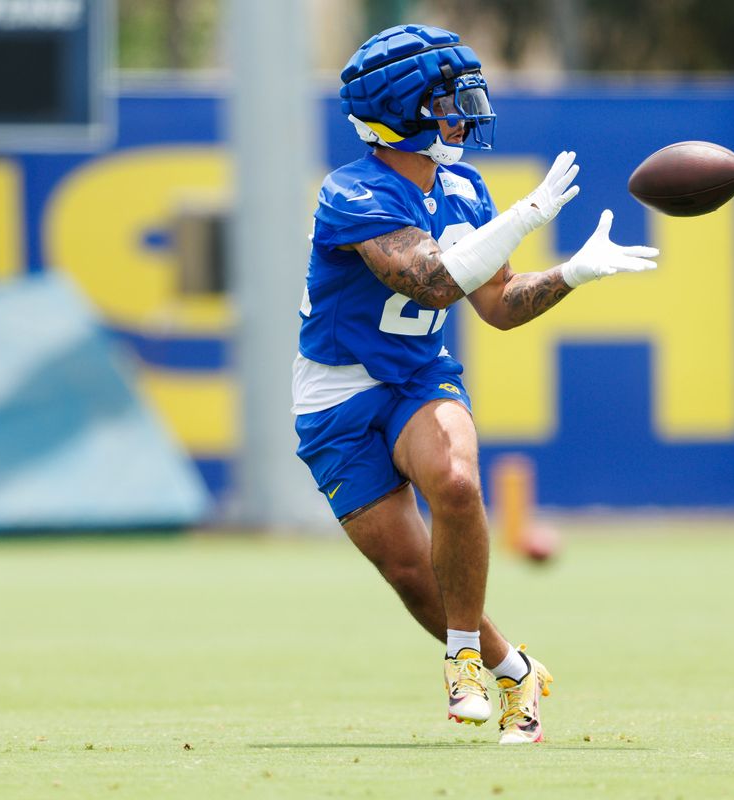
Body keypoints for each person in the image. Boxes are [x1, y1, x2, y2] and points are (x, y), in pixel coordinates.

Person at [292, 23, 659, 745]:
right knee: (411, 574)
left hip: (420, 377)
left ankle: (462, 660)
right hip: (337, 394)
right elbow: (430, 286)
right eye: (446, 100)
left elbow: (496, 305)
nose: (464, 112)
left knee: (456, 483)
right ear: (401, 110)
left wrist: (571, 273)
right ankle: (512, 667)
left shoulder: (463, 185)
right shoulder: (352, 192)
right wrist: (527, 217)